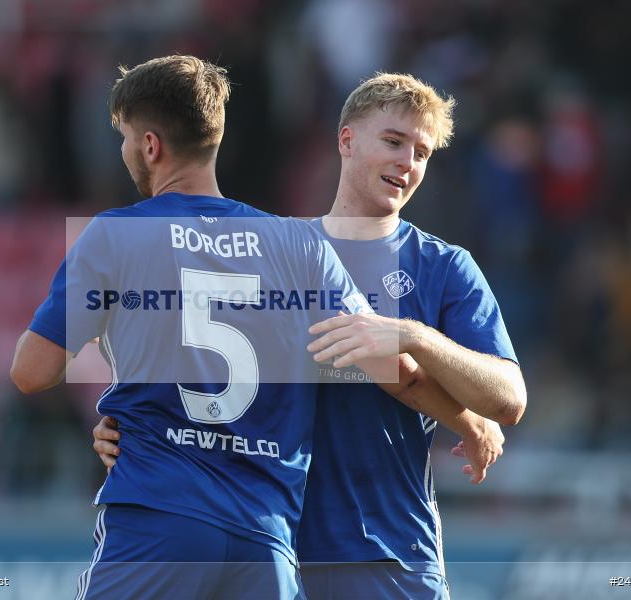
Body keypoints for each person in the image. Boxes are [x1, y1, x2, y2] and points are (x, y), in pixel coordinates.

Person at [94, 72, 526, 599]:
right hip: (269, 550)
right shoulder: (275, 252)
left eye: (422, 152)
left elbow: (508, 399)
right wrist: (130, 430)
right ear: (346, 140)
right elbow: (204, 368)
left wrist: (413, 335)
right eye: (392, 142)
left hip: (387, 550)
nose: (407, 163)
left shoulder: (444, 267)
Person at [10, 55, 376, 600]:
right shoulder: (302, 245)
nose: (123, 150)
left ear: (152, 146)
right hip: (265, 537)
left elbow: (32, 373)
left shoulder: (116, 238)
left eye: (126, 138)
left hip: (158, 520)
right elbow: (378, 364)